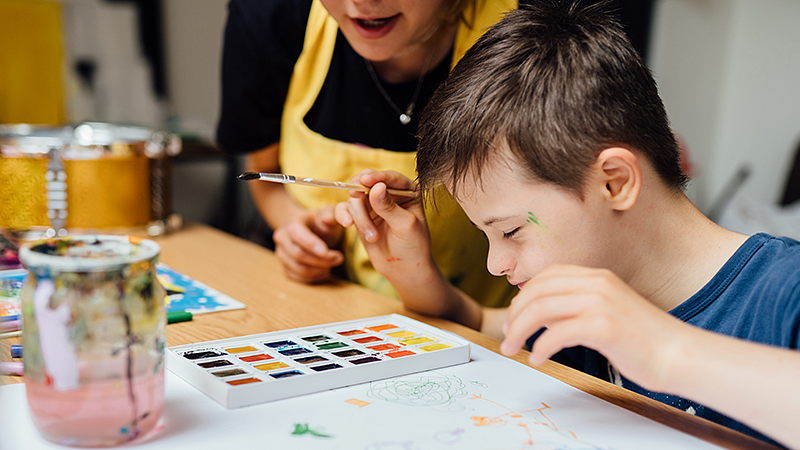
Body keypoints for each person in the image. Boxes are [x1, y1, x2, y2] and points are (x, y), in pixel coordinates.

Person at [334, 3, 800, 448]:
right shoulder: (589, 297)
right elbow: (478, 322)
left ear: (615, 182)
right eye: (487, 236)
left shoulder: (784, 292)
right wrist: (414, 274)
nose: (496, 263)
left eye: (512, 231)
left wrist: (663, 351)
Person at [215, 0, 520, 307]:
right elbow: (264, 172)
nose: (362, 2)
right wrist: (299, 230)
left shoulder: (539, 22)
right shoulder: (271, 16)